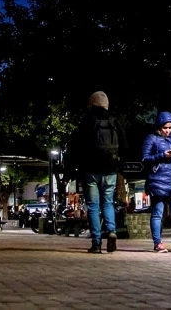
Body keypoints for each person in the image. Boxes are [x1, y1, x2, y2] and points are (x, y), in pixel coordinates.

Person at [64, 91, 126, 254]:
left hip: (90, 170)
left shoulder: (87, 122)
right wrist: (121, 166)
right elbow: (125, 146)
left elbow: (75, 147)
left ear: (91, 104)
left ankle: (97, 242)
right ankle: (111, 230)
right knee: (107, 202)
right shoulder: (114, 122)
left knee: (92, 206)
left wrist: (69, 170)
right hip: (111, 170)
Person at [142, 111, 171, 253]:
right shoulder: (151, 139)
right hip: (158, 182)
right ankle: (158, 243)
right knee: (157, 214)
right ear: (159, 126)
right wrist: (163, 155)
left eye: (170, 127)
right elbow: (145, 159)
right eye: (165, 127)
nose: (168, 130)